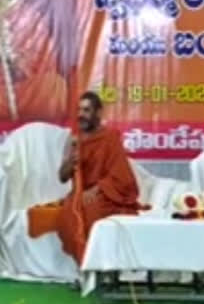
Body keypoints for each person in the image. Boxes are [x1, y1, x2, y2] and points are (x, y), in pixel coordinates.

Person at [26, 91, 142, 265]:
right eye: (79, 110)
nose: (81, 115)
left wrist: (98, 189)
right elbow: (62, 177)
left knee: (92, 212)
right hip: (79, 194)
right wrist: (69, 163)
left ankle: (99, 267)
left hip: (106, 194)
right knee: (70, 216)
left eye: (86, 110)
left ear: (98, 113)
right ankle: (85, 267)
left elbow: (122, 176)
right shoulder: (73, 140)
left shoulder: (110, 138)